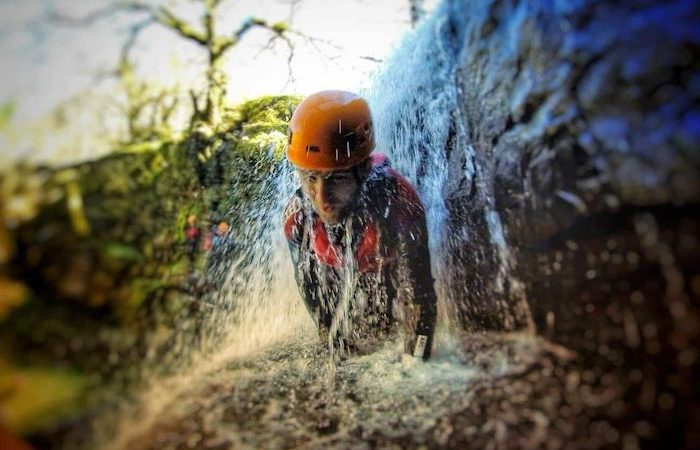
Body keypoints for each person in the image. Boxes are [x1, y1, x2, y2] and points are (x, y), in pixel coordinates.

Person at [283, 90, 437, 360]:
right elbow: (309, 288)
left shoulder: (399, 203)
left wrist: (417, 365)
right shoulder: (297, 218)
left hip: (385, 265)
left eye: (337, 179)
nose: (322, 198)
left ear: (364, 169)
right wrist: (329, 339)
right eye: (310, 178)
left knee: (389, 322)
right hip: (335, 269)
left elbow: (420, 295)